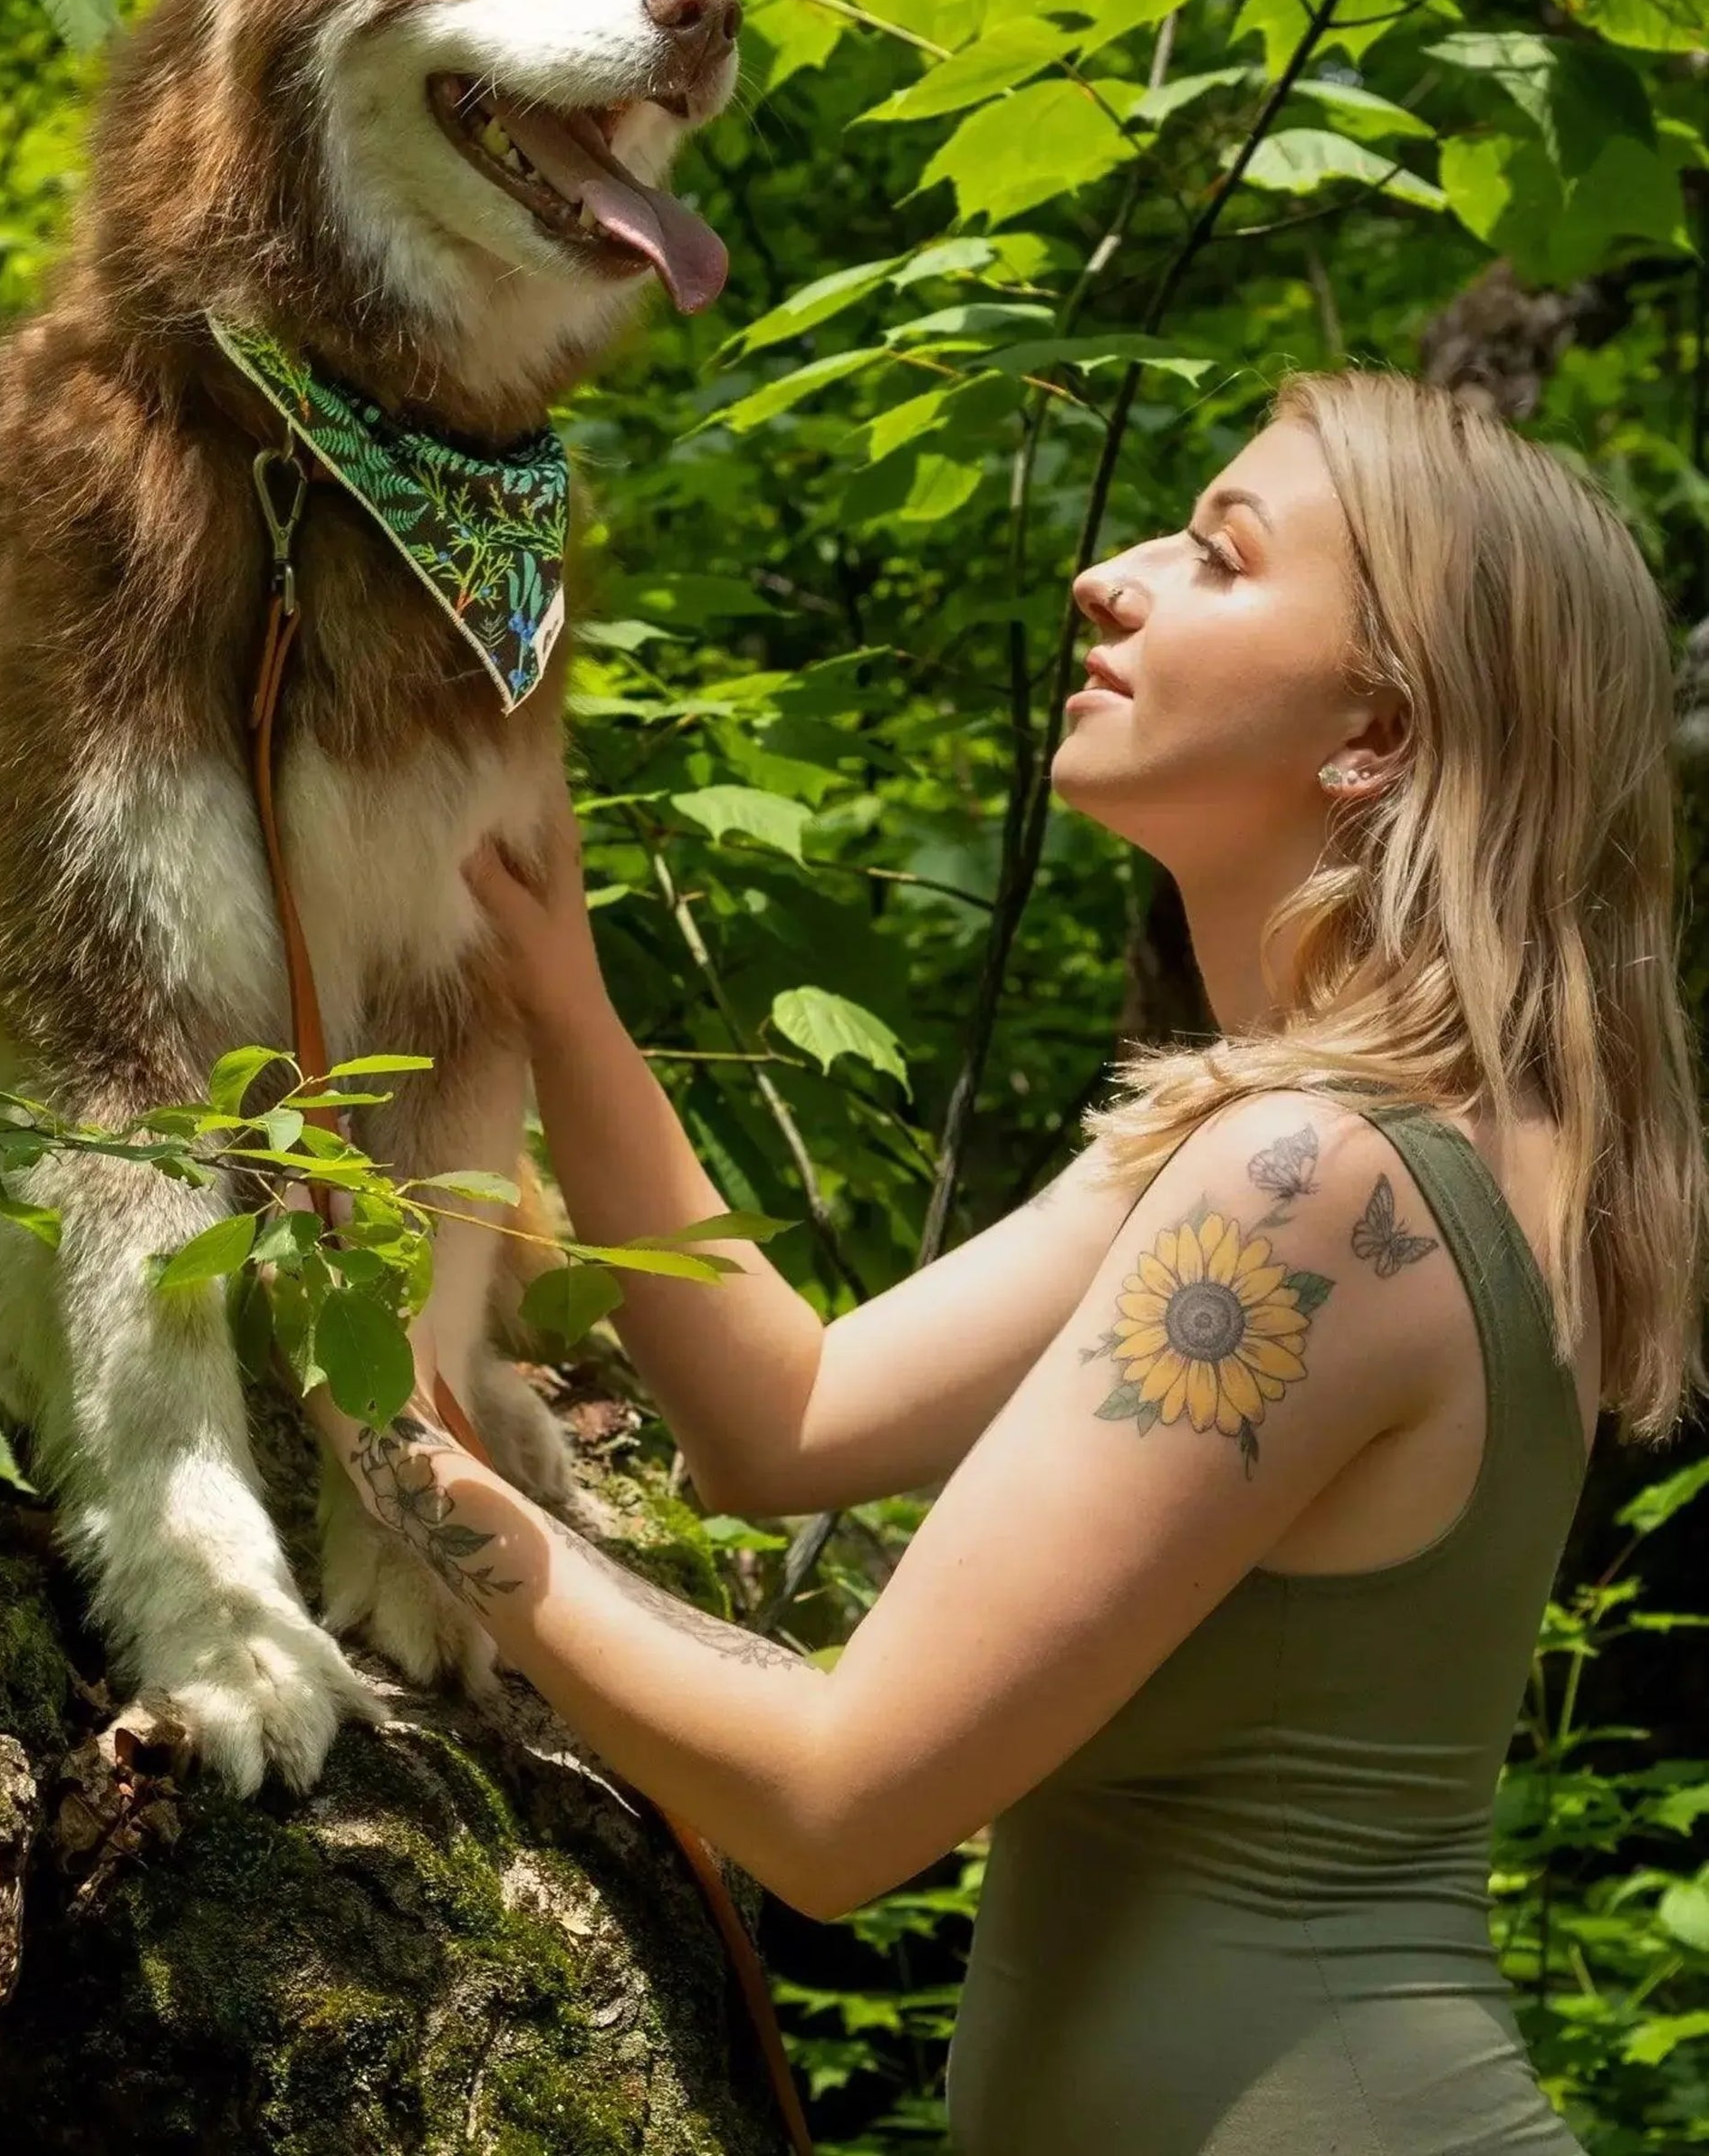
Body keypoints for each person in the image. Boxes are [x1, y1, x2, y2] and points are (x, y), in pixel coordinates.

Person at [303, 366, 1709, 2155]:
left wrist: (383, 1431)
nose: (1107, 577)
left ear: (1373, 729)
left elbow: (831, 1805)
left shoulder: (1313, 1184)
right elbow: (787, 1419)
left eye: (1218, 556)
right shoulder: (1366, 1140)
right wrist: (564, 1002)